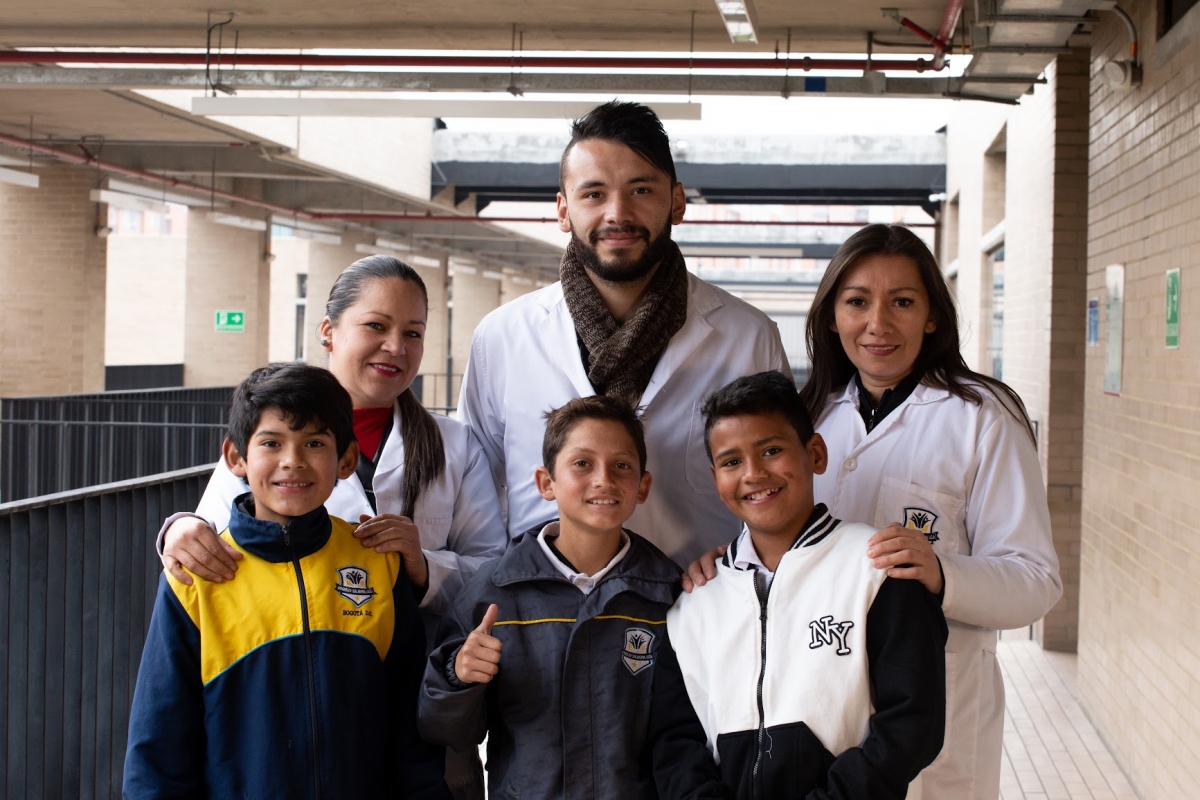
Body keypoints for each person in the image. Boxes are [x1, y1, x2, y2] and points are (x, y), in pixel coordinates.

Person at [691, 225, 1061, 798]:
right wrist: (730, 566)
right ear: (832, 317)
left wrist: (943, 572)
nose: (878, 324)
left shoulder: (982, 418)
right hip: (819, 721)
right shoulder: (812, 414)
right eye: (858, 302)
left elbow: (1037, 583)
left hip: (937, 725)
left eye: (903, 302)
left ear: (932, 316)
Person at [155, 255, 504, 798]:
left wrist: (422, 568)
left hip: (416, 710)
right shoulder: (268, 430)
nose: (396, 347)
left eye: (413, 332)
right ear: (328, 331)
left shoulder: (455, 446)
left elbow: (492, 572)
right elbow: (212, 539)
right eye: (376, 326)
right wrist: (176, 531)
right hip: (268, 724)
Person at [457, 101, 789, 567]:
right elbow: (475, 497)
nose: (618, 213)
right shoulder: (503, 337)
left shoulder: (747, 338)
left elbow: (777, 491)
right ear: (563, 209)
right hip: (541, 618)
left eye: (640, 190)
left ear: (676, 202)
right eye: (593, 194)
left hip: (696, 612)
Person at [124, 363, 450, 799]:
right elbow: (159, 739)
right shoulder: (197, 579)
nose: (292, 461)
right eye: (271, 443)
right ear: (236, 457)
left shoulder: (378, 566)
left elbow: (410, 724)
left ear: (346, 460)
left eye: (315, 443)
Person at [419, 395, 727, 800]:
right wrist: (459, 676)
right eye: (582, 464)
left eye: (622, 466)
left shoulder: (668, 595)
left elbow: (686, 730)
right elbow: (444, 731)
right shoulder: (494, 594)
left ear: (642, 486)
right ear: (547, 483)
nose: (604, 479)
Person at [666, 371, 947, 799]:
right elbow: (674, 737)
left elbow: (913, 723)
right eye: (731, 462)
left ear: (815, 453)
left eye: (772, 450)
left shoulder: (878, 570)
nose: (754, 473)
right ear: (715, 479)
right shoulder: (694, 601)